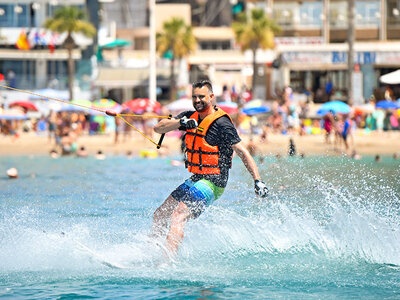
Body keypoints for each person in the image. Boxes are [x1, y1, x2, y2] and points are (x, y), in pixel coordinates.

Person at [151, 80, 269, 253]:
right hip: (197, 178)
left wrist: (257, 180)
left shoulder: (222, 124)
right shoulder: (189, 116)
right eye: (194, 97)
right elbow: (158, 128)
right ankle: (150, 252)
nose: (197, 100)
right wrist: (181, 124)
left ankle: (167, 263)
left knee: (178, 215)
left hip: (214, 181)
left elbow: (242, 152)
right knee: (160, 214)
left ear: (211, 97)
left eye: (201, 97)